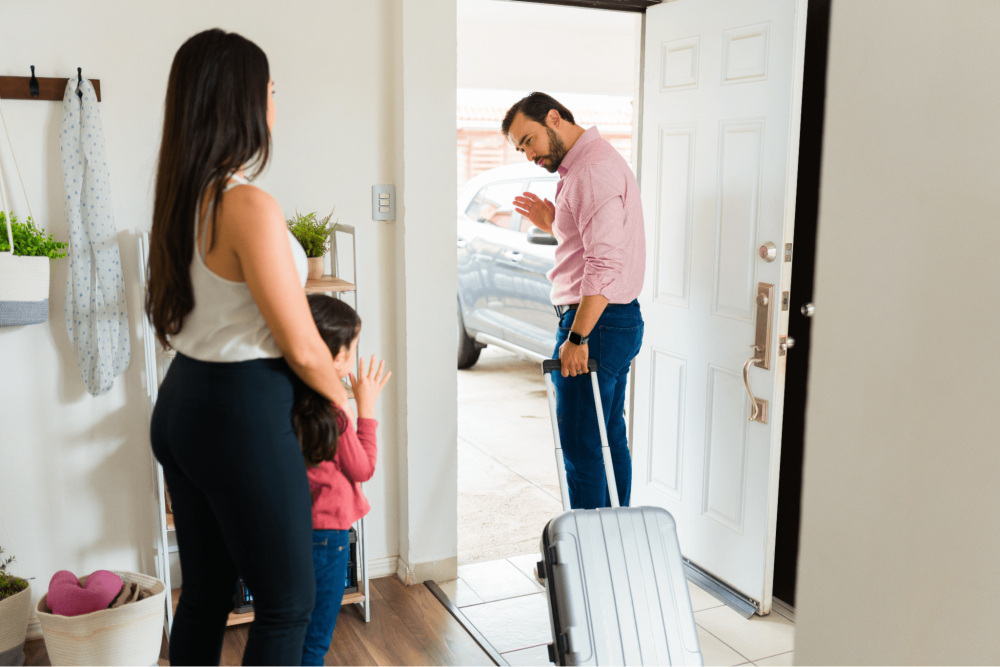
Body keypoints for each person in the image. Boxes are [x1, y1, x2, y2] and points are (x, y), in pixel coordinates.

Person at [148, 29, 351, 666]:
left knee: (206, 592)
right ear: (244, 100)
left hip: (183, 402)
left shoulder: (183, 199)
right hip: (241, 412)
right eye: (269, 91)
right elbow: (303, 345)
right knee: (289, 603)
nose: (273, 104)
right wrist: (346, 404)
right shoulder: (247, 205)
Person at [505, 92, 645, 510]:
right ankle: (610, 545)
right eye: (521, 148)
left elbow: (604, 261)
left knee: (583, 444)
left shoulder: (592, 171)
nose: (528, 154)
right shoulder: (586, 165)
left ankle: (586, 561)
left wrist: (578, 337)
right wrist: (552, 222)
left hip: (595, 323)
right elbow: (592, 242)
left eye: (529, 140)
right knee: (605, 437)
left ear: (554, 117)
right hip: (611, 319)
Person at [293, 295, 389, 667]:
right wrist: (365, 408)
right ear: (334, 357)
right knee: (315, 642)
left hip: (290, 528)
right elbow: (362, 469)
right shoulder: (335, 410)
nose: (353, 360)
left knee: (291, 626)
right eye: (352, 350)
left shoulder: (284, 396)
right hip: (327, 535)